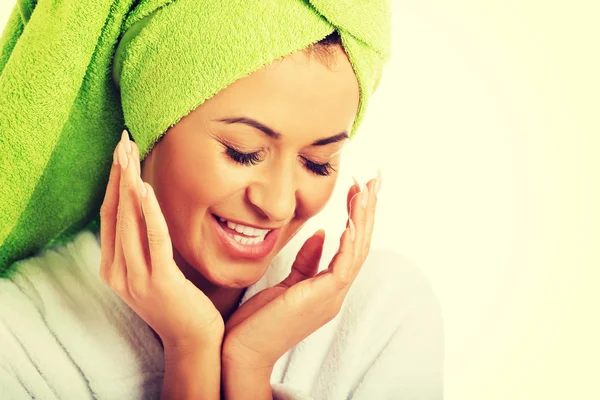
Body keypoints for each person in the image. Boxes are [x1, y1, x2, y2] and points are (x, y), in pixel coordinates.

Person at [0, 1, 444, 399]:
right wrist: (190, 350)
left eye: (318, 162)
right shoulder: (17, 334)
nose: (278, 205)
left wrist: (247, 366)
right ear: (148, 126)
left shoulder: (383, 312)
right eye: (243, 151)